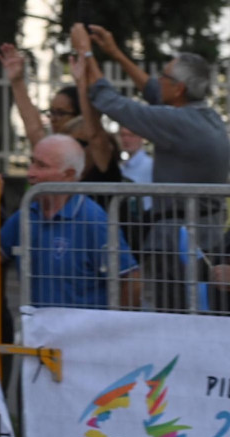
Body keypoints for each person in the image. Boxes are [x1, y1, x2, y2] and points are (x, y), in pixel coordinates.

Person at [72, 23, 230, 310]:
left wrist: (85, 52)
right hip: (200, 235)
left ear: (179, 89)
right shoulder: (205, 118)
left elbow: (110, 101)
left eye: (165, 76)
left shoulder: (178, 123)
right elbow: (154, 91)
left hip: (179, 242)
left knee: (174, 318)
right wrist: (116, 54)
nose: (159, 80)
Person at [0, 134, 141, 308]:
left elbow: (130, 279)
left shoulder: (92, 219)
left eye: (41, 166)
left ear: (68, 174)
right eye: (32, 162)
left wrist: (115, 328)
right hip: (39, 331)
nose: (30, 173)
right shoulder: (28, 213)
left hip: (83, 332)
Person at [0, 43, 80, 148]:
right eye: (52, 112)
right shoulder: (53, 148)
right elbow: (35, 131)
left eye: (60, 113)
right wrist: (17, 81)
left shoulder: (93, 150)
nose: (53, 119)